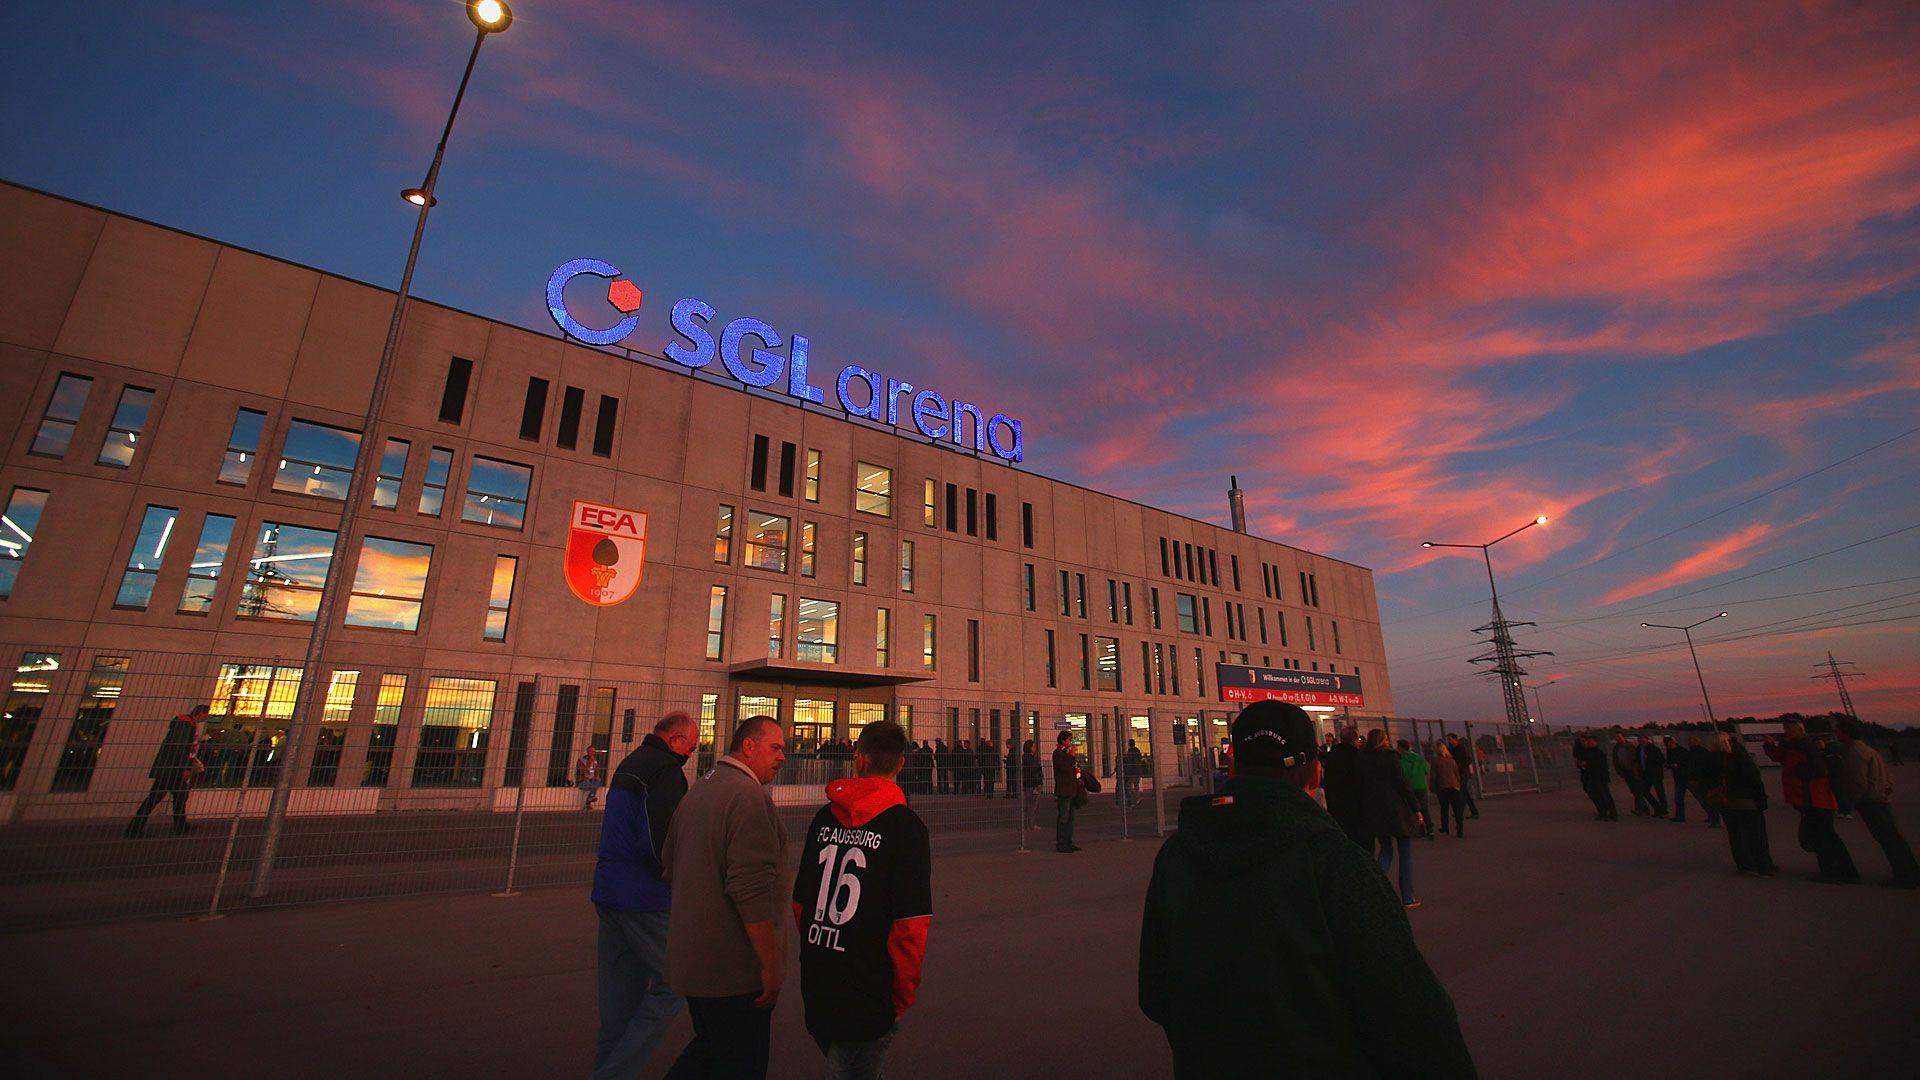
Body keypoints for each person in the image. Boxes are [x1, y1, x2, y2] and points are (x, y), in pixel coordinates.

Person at [1138, 701, 1476, 1078]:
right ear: (1315, 773)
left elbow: (1154, 991)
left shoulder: (1176, 855)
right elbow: (1413, 1013)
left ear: (1232, 766)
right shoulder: (1334, 861)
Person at [791, 720, 932, 1078]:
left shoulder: (824, 818)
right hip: (869, 988)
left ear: (859, 758)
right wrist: (902, 995)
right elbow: (910, 925)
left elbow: (801, 904)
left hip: (819, 974)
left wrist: (819, 945)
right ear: (901, 764)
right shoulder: (906, 828)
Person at [661, 715, 790, 1079]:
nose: (782, 757)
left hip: (695, 963)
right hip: (733, 971)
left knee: (711, 1052)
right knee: (738, 1062)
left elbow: (669, 863)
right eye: (775, 748)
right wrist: (769, 963)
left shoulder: (700, 789)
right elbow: (750, 888)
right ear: (748, 746)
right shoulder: (748, 798)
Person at [591, 712, 698, 1080]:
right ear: (675, 740)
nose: (690, 755)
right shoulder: (665, 771)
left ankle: (609, 1069)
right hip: (644, 897)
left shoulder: (630, 764)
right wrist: (676, 876)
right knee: (675, 980)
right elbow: (660, 840)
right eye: (690, 748)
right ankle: (616, 1072)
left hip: (609, 891)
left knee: (618, 1005)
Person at [1764, 720, 1859, 884]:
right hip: (1809, 799)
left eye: (1789, 729)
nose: (1786, 732)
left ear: (1801, 731)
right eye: (1785, 729)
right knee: (1823, 836)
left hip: (1815, 799)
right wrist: (1770, 746)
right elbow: (1780, 757)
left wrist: (1800, 771)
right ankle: (1841, 870)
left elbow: (1820, 769)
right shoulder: (1794, 746)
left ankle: (1835, 871)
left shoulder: (1806, 747)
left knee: (1824, 837)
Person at [1833, 718, 1918, 889]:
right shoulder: (1867, 750)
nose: (1836, 734)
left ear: (1845, 733)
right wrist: (1886, 790)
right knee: (1893, 837)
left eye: (1838, 731)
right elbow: (1887, 775)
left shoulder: (1854, 752)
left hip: (1871, 802)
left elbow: (1858, 782)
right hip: (1880, 799)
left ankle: (1905, 876)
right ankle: (1911, 871)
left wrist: (1851, 802)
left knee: (1888, 839)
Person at [1357, 730, 1423, 906]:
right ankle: (1408, 896)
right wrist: (1416, 808)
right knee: (1405, 854)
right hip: (1396, 810)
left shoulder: (1362, 759)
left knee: (1386, 850)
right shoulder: (1391, 757)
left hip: (1375, 810)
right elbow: (1403, 785)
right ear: (1383, 741)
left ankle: (1375, 888)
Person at [125, 705, 207, 838]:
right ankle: (135, 829)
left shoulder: (185, 723)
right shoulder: (186, 724)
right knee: (158, 797)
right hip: (171, 769)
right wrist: (185, 767)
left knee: (179, 795)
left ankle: (180, 825)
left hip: (170, 768)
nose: (207, 717)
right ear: (201, 713)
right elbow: (180, 747)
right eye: (206, 714)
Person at [1704, 731, 1777, 876]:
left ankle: (1744, 864)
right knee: (1756, 834)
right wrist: (1761, 799)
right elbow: (1754, 779)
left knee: (1736, 834)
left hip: (1725, 802)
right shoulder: (1738, 757)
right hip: (1745, 800)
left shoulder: (1709, 760)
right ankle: (1763, 864)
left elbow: (1705, 780)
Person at [1321, 726, 1366, 847]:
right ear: (1354, 740)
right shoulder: (1359, 756)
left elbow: (1328, 781)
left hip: (1337, 805)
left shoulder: (1331, 756)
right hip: (1357, 807)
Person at [1053, 731, 1084, 853]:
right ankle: (1061, 843)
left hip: (1071, 789)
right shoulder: (1058, 753)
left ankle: (1068, 841)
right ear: (1063, 741)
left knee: (1071, 817)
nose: (1070, 742)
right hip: (1064, 790)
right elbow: (1063, 767)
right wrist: (1071, 755)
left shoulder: (1066, 753)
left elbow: (1074, 767)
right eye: (1069, 740)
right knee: (1063, 817)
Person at [1573, 735, 1617, 821]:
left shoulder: (1599, 753)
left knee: (1605, 795)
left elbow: (1601, 765)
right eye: (1588, 741)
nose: (1588, 743)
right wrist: (1581, 764)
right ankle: (1602, 812)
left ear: (1595, 742)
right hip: (1590, 777)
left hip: (1600, 777)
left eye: (1590, 741)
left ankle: (1612, 814)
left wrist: (1587, 764)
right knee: (1594, 795)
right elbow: (1580, 761)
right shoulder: (1586, 752)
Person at [1397, 739, 1435, 839]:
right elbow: (1426, 770)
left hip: (1409, 787)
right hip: (1421, 786)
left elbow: (1401, 775)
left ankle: (1420, 829)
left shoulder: (1400, 760)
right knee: (1424, 808)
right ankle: (1430, 829)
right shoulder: (1419, 758)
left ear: (1401, 748)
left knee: (1413, 809)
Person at [1430, 743, 1465, 837]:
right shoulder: (1451, 760)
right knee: (1456, 809)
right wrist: (1458, 784)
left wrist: (1432, 787)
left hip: (1442, 787)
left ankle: (1445, 826)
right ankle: (1460, 829)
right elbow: (1457, 773)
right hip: (1454, 786)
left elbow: (1433, 776)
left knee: (1444, 808)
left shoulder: (1435, 761)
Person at [1686, 735, 1720, 827]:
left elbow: (1695, 766)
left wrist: (1693, 778)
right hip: (1702, 779)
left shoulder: (1696, 752)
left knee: (1705, 799)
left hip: (1701, 779)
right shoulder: (1701, 751)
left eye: (1690, 741)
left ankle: (1715, 818)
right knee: (1705, 799)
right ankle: (1713, 817)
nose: (1689, 743)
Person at [1612, 733, 1648, 815]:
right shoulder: (1616, 748)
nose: (1618, 739)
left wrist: (1637, 770)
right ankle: (1642, 808)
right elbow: (1615, 760)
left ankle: (1642, 809)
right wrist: (1619, 771)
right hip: (1625, 771)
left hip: (1633, 771)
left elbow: (1636, 759)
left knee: (1637, 790)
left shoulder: (1631, 746)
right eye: (1617, 738)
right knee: (1633, 790)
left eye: (1619, 737)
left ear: (1623, 737)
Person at [1446, 734, 1481, 820]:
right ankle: (1473, 812)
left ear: (1455, 739)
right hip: (1456, 773)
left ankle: (1460, 811)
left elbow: (1468, 759)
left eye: (1450, 739)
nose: (1448, 741)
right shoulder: (1450, 749)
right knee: (1464, 793)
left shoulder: (1461, 748)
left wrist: (1460, 765)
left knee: (1462, 793)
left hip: (1463, 774)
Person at [1638, 735, 1668, 818]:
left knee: (1660, 793)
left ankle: (1664, 811)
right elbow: (1637, 761)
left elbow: (1661, 760)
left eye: (1642, 738)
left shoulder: (1654, 749)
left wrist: (1649, 758)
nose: (1640, 740)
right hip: (1645, 775)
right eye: (1639, 739)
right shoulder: (1639, 749)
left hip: (1655, 774)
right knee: (1644, 791)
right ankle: (1658, 808)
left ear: (1647, 739)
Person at [1664, 736, 1691, 823]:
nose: (1668, 746)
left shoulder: (1682, 751)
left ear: (1673, 742)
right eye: (1666, 745)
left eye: (1669, 744)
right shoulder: (1669, 751)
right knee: (1678, 798)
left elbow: (1688, 763)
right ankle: (1680, 816)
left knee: (1699, 796)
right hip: (1678, 777)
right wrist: (1669, 765)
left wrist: (1678, 765)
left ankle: (1712, 814)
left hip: (1686, 776)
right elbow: (1668, 762)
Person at [577, 746, 603, 811]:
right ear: (587, 752)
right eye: (591, 751)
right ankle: (590, 800)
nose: (593, 753)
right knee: (593, 786)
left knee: (598, 782)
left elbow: (597, 770)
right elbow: (582, 771)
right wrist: (590, 762)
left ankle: (589, 800)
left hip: (592, 780)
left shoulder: (595, 761)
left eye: (594, 751)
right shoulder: (581, 760)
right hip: (583, 780)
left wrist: (597, 776)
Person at [1123, 739, 1145, 807]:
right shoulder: (1137, 751)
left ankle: (1137, 797)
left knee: (1128, 786)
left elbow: (1130, 761)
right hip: (1138, 771)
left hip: (1133, 771)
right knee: (1136, 786)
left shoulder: (1131, 751)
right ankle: (1136, 800)